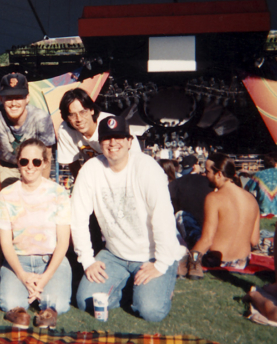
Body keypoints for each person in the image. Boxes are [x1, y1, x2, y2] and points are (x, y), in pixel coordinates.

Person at [72, 116, 183, 322]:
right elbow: (77, 218)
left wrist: (160, 264)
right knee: (85, 301)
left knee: (151, 311)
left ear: (130, 141)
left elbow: (163, 218)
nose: (113, 143)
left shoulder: (147, 167)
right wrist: (87, 260)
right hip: (115, 254)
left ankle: (159, 284)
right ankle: (133, 288)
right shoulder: (91, 170)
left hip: (151, 254)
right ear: (100, 142)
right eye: (107, 138)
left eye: (119, 137)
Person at [0, 72, 56, 283]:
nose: (14, 102)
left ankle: (43, 264)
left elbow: (46, 157)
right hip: (4, 166)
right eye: (9, 97)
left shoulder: (41, 118)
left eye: (18, 97)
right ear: (1, 98)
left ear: (27, 98)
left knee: (38, 211)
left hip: (33, 166)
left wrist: (44, 187)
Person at [0, 138, 71, 329]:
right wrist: (22, 275)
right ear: (18, 163)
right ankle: (29, 302)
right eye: (24, 161)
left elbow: (63, 242)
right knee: (9, 304)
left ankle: (44, 304)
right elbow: (6, 243)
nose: (30, 166)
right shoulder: (6, 195)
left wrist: (45, 277)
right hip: (18, 260)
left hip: (50, 260)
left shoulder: (59, 193)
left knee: (58, 305)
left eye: (36, 161)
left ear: (43, 163)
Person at [187, 153, 260, 280]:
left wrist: (192, 258)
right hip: (241, 262)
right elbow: (254, 241)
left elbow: (207, 240)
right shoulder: (251, 199)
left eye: (207, 171)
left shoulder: (214, 198)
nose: (205, 175)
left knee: (183, 217)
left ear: (219, 174)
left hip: (216, 260)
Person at [58, 88, 141, 180]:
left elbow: (136, 159)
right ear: (66, 118)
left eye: (83, 112)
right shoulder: (65, 129)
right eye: (72, 115)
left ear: (92, 110)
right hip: (98, 175)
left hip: (126, 172)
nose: (79, 119)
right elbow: (73, 164)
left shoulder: (112, 124)